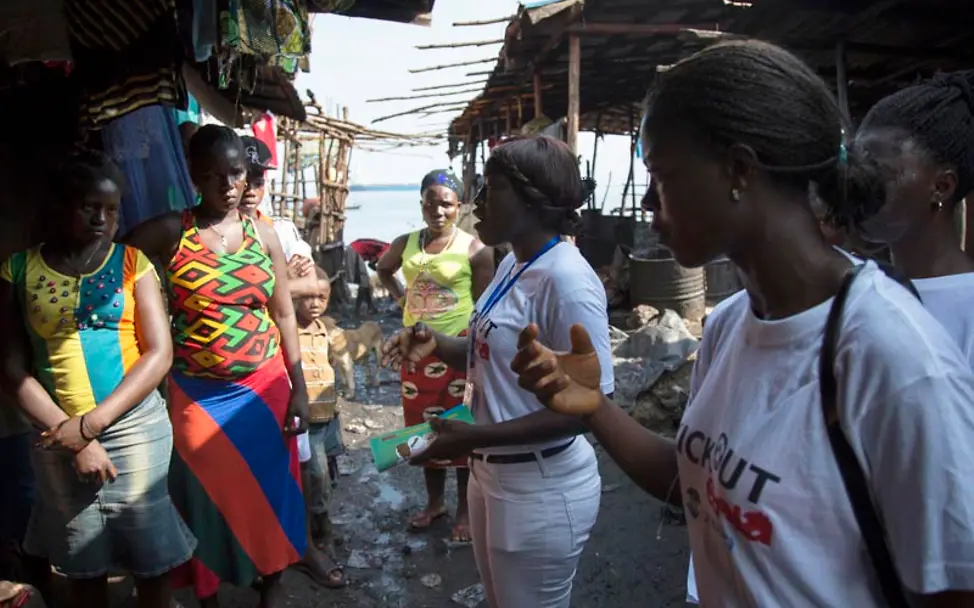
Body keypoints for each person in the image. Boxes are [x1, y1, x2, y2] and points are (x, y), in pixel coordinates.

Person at [510, 40, 974, 606]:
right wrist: (594, 406)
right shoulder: (731, 324)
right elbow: (699, 485)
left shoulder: (896, 361)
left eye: (661, 172)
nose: (650, 201)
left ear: (737, 170)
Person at [381, 141, 613, 607]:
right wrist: (436, 342)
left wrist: (469, 438)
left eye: (493, 188)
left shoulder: (565, 279)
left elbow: (591, 407)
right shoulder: (513, 262)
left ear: (532, 201)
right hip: (494, 475)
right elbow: (486, 351)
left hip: (539, 486)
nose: (478, 200)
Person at [123, 125, 309, 608]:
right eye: (213, 175)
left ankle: (272, 585)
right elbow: (115, 264)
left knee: (270, 495)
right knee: (203, 501)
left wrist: (300, 387)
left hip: (265, 386)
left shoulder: (264, 236)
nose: (227, 186)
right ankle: (209, 596)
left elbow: (284, 313)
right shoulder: (168, 232)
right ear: (194, 176)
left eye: (236, 173)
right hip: (195, 394)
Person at [0, 152, 194, 608]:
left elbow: (159, 353)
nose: (102, 219)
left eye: (111, 209)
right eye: (90, 207)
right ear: (60, 206)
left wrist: (91, 426)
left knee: (152, 559)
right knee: (81, 558)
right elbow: (10, 367)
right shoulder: (19, 270)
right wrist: (72, 436)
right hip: (55, 430)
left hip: (135, 427)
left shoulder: (134, 264)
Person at [376, 170, 493, 544]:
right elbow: (383, 269)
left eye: (446, 203)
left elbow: (486, 305)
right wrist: (403, 302)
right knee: (422, 429)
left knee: (459, 428)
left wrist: (474, 346)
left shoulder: (475, 249)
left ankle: (464, 510)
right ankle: (435, 503)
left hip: (458, 350)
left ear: (459, 206)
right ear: (421, 203)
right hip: (416, 351)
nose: (438, 210)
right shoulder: (406, 243)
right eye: (430, 201)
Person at [853, 71, 974, 364]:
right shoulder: (855, 291)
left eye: (878, 172)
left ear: (941, 187)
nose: (859, 184)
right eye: (855, 166)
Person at [290, 267, 346, 589]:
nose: (314, 303)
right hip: (307, 421)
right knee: (315, 476)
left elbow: (332, 364)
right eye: (307, 295)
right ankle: (319, 531)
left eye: (321, 296)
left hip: (328, 417)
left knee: (325, 475)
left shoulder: (325, 329)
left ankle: (321, 526)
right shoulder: (289, 331)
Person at [238, 135, 320, 299]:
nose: (251, 191)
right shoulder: (217, 230)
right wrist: (283, 277)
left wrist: (253, 289)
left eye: (258, 183)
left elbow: (310, 285)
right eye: (245, 183)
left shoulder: (282, 229)